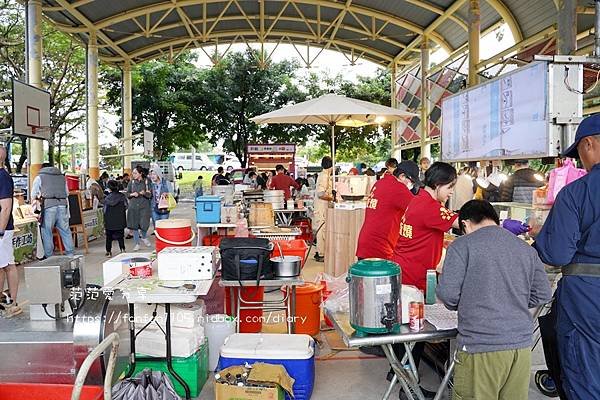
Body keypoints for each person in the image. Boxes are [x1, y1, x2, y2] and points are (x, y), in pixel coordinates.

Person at [437, 200, 551, 400]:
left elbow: (448, 295)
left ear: (465, 224)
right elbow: (543, 294)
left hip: (480, 346)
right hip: (520, 348)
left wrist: (468, 302)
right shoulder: (525, 249)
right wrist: (511, 302)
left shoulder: (462, 246)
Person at [533, 114, 600, 400]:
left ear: (589, 145)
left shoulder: (577, 193)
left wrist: (541, 236)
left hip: (588, 299)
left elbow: (555, 253)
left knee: (585, 377)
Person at [356, 161, 419, 260]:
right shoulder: (398, 188)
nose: (412, 185)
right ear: (402, 176)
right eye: (412, 181)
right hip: (380, 249)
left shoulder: (380, 182)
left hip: (366, 244)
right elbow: (420, 210)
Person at [31, 162, 75, 258]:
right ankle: (70, 254)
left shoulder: (40, 177)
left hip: (48, 205)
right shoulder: (62, 177)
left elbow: (33, 194)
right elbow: (67, 193)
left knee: (46, 231)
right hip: (62, 205)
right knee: (65, 230)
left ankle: (49, 256)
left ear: (42, 168)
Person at [0, 145, 21, 317]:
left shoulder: (3, 177)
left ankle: (12, 302)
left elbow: (6, 207)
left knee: (7, 265)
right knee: (2, 265)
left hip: (2, 229)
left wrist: (0, 230)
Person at [126, 166, 152, 251]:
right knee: (134, 225)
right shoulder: (131, 183)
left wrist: (143, 193)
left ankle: (144, 236)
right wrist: (132, 194)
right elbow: (127, 194)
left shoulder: (147, 182)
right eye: (133, 173)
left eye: (135, 173)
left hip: (144, 206)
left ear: (140, 173)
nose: (133, 175)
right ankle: (137, 243)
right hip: (133, 206)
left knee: (144, 224)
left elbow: (150, 195)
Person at [313, 156, 333, 262]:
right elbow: (321, 194)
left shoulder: (325, 175)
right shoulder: (324, 176)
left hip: (322, 206)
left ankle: (319, 251)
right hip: (321, 207)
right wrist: (332, 198)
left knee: (322, 229)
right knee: (322, 230)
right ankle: (321, 253)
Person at [103, 180, 127, 257]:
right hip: (120, 220)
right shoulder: (122, 196)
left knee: (108, 237)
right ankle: (122, 249)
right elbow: (126, 206)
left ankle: (108, 251)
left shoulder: (107, 198)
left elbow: (104, 210)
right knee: (120, 236)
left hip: (109, 221)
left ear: (109, 189)